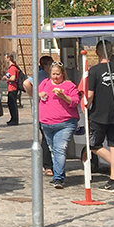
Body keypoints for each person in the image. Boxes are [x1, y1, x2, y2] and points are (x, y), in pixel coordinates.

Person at [85, 43, 114, 192]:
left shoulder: (94, 71)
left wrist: (85, 105)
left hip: (98, 113)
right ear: (111, 52)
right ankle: (113, 180)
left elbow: (90, 95)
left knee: (92, 145)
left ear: (96, 52)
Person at [38, 59, 80, 189]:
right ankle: (58, 173)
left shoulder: (69, 85)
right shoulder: (45, 83)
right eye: (53, 74)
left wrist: (63, 97)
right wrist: (40, 94)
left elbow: (75, 101)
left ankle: (58, 178)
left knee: (59, 149)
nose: (56, 77)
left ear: (63, 74)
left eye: (58, 74)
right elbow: (37, 94)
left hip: (65, 123)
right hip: (46, 123)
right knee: (52, 149)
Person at [4, 55, 23, 126]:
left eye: (6, 58)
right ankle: (13, 118)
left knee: (12, 104)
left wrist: (6, 79)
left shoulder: (12, 67)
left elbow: (13, 78)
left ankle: (14, 119)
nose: (5, 60)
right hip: (10, 88)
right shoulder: (10, 68)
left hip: (13, 88)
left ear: (9, 58)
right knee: (10, 104)